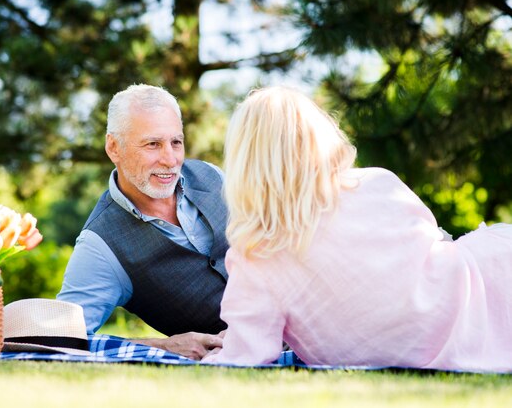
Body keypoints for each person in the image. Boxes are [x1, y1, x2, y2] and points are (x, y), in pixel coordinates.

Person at [203, 86, 512, 373]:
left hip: (468, 306)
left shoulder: (256, 253)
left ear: (245, 162)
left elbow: (246, 353)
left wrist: (214, 353)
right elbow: (437, 242)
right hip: (484, 288)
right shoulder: (375, 184)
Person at [57, 84, 228, 360]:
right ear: (114, 147)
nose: (170, 159)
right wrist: (164, 347)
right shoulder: (101, 245)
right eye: (153, 144)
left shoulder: (213, 177)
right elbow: (60, 340)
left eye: (176, 142)